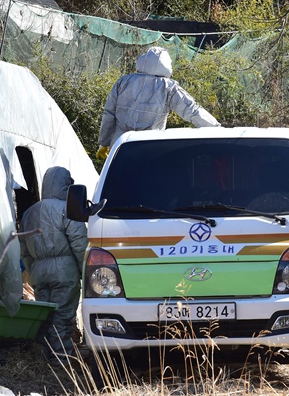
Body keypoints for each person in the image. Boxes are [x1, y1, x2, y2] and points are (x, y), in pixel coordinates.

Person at [96, 46, 220, 159]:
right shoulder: (168, 87)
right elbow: (191, 110)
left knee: (118, 182)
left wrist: (104, 142)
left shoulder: (123, 81)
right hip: (149, 148)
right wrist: (217, 129)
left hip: (120, 146)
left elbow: (109, 114)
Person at [19, 166, 88, 362]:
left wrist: (33, 271)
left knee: (44, 315)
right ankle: (62, 358)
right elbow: (79, 242)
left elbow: (24, 249)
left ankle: (42, 356)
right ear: (66, 185)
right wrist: (86, 270)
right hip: (64, 271)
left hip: (39, 272)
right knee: (63, 316)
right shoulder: (67, 208)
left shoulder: (29, 213)